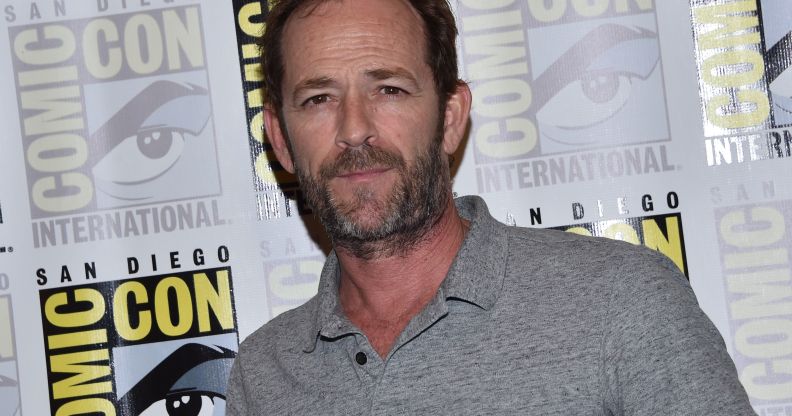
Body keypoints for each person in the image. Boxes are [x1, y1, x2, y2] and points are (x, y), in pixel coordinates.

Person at [225, 0, 756, 414]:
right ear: (281, 139)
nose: (354, 128)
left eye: (388, 89)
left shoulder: (621, 299)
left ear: (450, 118)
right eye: (318, 98)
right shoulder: (264, 373)